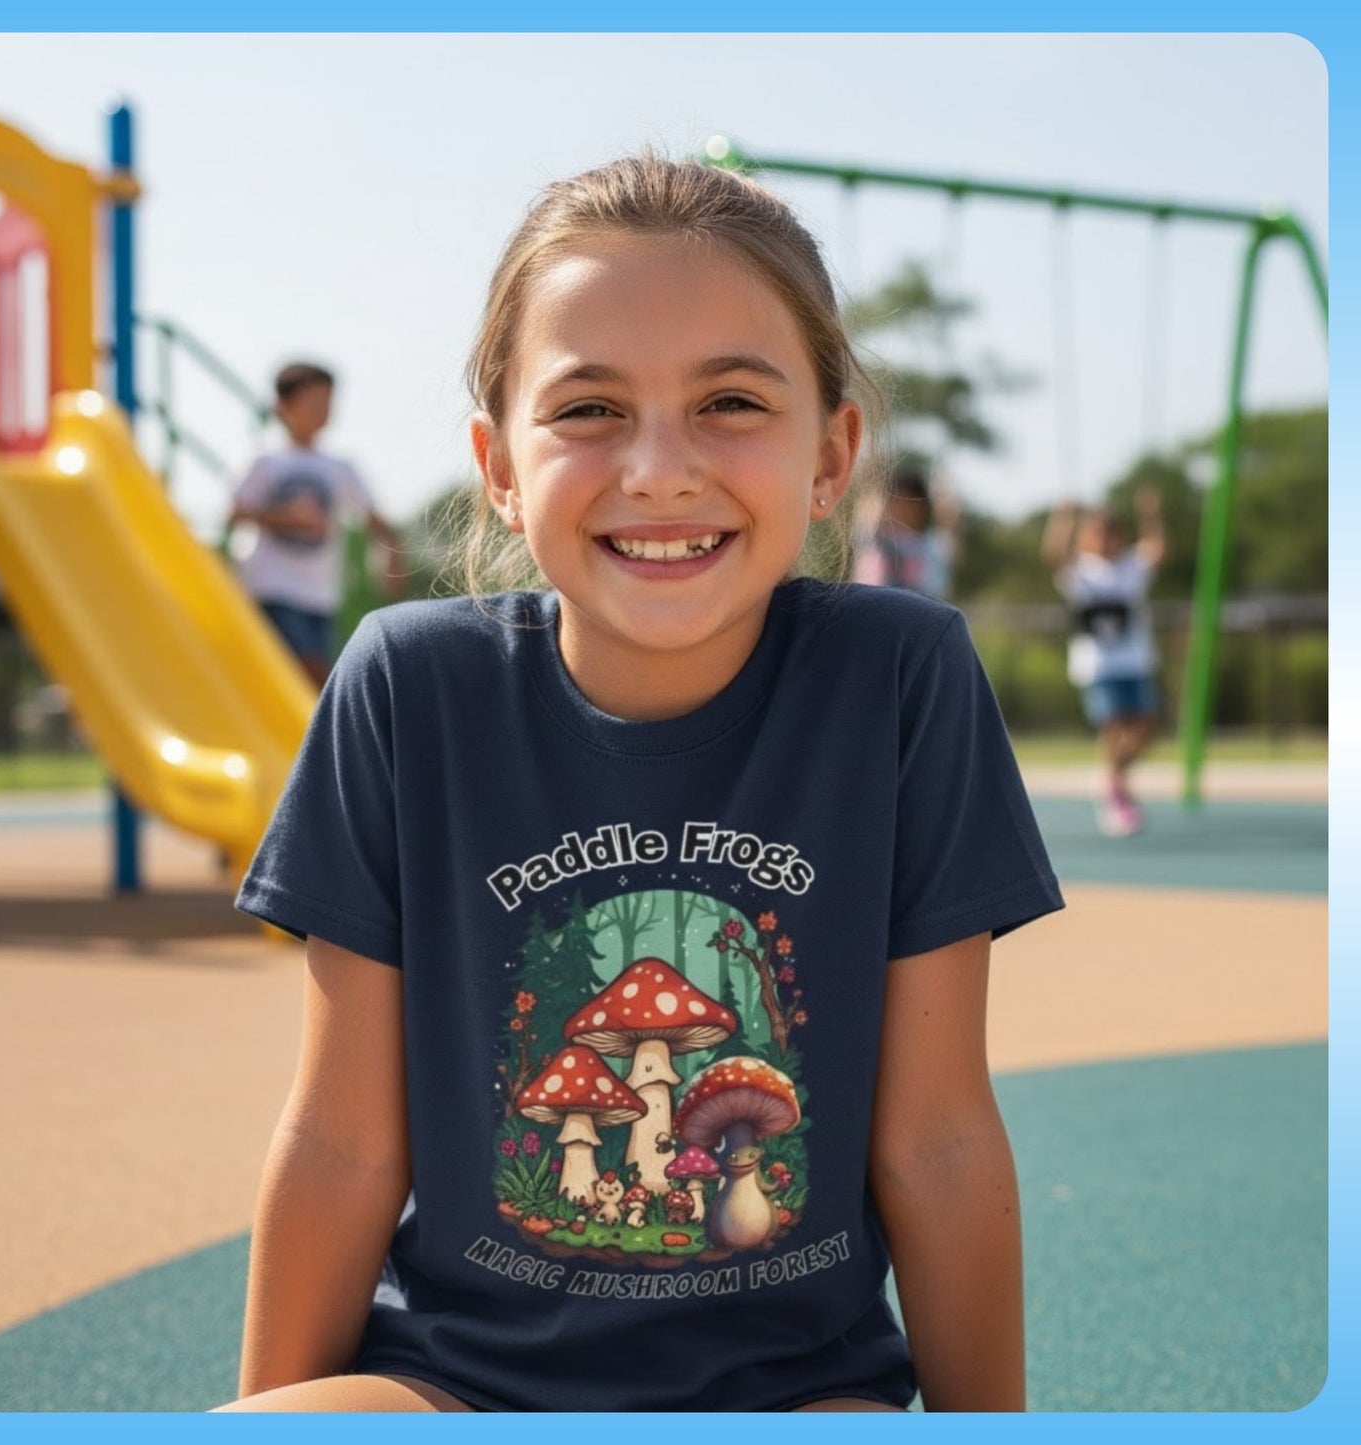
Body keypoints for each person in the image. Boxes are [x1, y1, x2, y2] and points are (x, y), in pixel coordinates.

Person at [225, 154, 1063, 1415]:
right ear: (498, 465)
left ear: (831, 451)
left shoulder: (898, 674)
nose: (659, 469)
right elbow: (343, 1144)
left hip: (795, 1393)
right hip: (452, 1384)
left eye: (730, 400)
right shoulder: (407, 684)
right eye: (587, 408)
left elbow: (934, 1141)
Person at [227, 361, 405, 685]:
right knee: (307, 670)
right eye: (312, 402)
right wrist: (286, 517)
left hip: (320, 594)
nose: (322, 410)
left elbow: (374, 520)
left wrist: (391, 553)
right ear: (284, 407)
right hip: (271, 588)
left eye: (327, 402)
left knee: (316, 677)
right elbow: (235, 512)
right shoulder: (265, 461)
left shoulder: (340, 467)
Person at [1042, 486, 1167, 836]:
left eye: (1112, 533)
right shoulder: (1081, 571)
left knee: (1146, 727)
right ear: (1086, 538)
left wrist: (1151, 515)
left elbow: (1157, 550)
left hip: (1135, 662)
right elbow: (1053, 554)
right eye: (1098, 533)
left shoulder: (1131, 568)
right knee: (1113, 726)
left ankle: (1114, 777)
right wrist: (1063, 519)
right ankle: (1117, 794)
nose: (1105, 540)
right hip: (1099, 666)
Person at [851, 459, 961, 599]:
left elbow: (949, 525)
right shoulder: (872, 539)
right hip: (870, 607)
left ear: (922, 508)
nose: (902, 509)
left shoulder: (931, 546)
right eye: (896, 500)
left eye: (910, 503)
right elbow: (867, 507)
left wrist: (944, 489)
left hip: (918, 609)